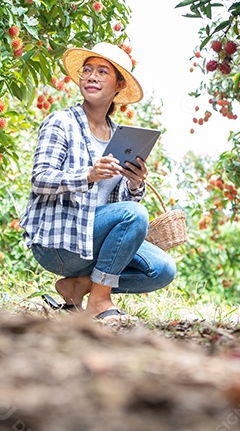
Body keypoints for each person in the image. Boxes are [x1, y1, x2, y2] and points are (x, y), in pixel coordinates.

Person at [21, 42, 176, 322]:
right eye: (87, 70)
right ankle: (100, 300)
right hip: (60, 243)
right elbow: (40, 180)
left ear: (119, 85)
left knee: (162, 269)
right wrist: (88, 175)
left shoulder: (121, 137)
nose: (92, 76)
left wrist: (134, 184)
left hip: (94, 241)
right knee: (135, 214)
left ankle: (79, 286)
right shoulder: (61, 122)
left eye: (102, 71)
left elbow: (120, 211)